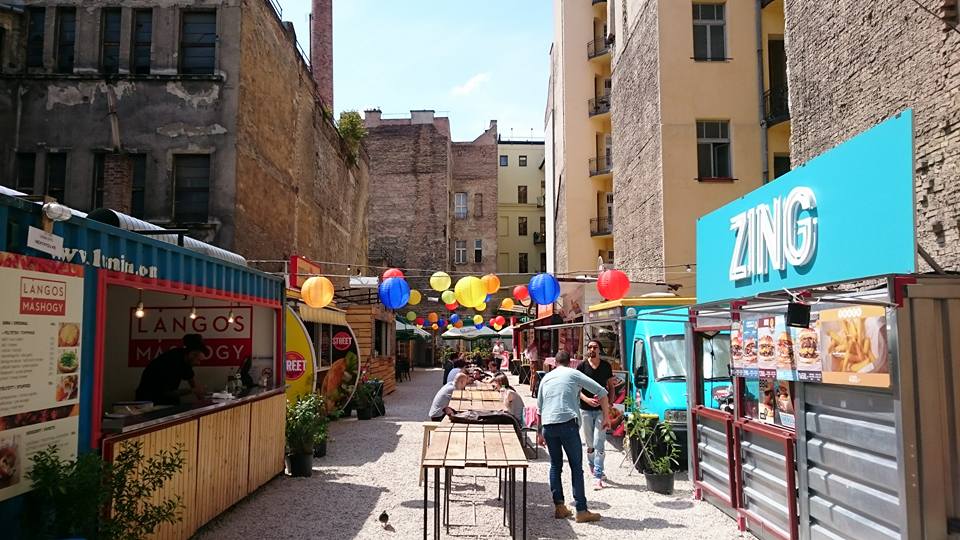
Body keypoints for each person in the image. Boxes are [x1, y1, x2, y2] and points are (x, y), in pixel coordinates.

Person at [536, 351, 610, 523]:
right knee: (576, 467)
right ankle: (581, 510)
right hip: (567, 423)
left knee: (555, 465)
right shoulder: (574, 373)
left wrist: (539, 433)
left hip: (548, 424)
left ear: (555, 362)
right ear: (570, 362)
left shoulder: (546, 378)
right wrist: (606, 417)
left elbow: (539, 408)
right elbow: (602, 392)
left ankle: (560, 507)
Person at [577, 339, 614, 489]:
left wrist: (610, 404)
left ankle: (598, 474)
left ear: (599, 350)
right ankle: (592, 465)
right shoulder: (581, 366)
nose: (592, 349)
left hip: (601, 410)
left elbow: (610, 386)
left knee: (600, 442)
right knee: (590, 443)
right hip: (585, 409)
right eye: (590, 347)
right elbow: (577, 389)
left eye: (595, 347)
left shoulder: (606, 366)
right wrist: (587, 399)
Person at [136, 334, 207, 405]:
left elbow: (192, 381)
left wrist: (202, 400)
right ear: (192, 354)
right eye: (198, 360)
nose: (199, 364)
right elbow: (167, 393)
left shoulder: (185, 358)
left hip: (165, 399)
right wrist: (191, 391)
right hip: (150, 401)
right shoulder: (170, 363)